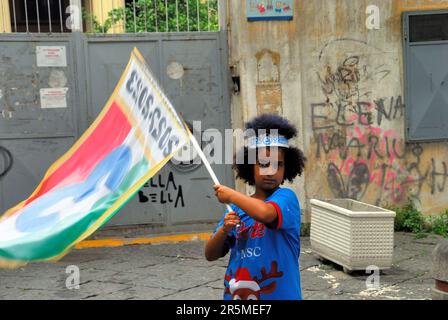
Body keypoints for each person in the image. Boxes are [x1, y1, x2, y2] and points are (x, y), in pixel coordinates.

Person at [204, 114, 306, 300]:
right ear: (250, 166)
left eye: (278, 164)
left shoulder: (286, 198)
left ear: (287, 168)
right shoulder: (236, 209)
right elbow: (210, 254)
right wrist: (224, 230)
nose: (271, 171)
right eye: (263, 164)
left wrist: (232, 194)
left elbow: (266, 213)